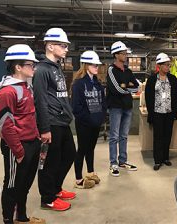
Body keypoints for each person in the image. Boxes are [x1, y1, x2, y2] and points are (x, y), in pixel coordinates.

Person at [0, 44, 45, 224]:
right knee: (12, 185)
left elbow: (30, 116)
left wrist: (37, 138)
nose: (34, 68)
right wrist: (19, 151)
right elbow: (6, 125)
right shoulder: (7, 92)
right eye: (30, 65)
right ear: (18, 67)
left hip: (32, 142)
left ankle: (21, 218)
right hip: (16, 146)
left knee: (24, 184)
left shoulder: (26, 87)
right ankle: (8, 220)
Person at [33, 27, 76, 211]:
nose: (66, 48)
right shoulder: (41, 70)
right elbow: (40, 100)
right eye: (63, 45)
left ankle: (56, 188)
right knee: (49, 162)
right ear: (50, 46)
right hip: (50, 123)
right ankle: (48, 198)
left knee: (69, 155)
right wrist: (44, 128)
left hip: (62, 121)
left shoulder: (57, 67)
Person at [71, 51, 107, 188]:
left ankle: (91, 173)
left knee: (91, 149)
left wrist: (101, 116)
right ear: (86, 65)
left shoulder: (97, 83)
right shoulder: (78, 84)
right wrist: (89, 119)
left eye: (97, 65)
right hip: (84, 124)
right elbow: (76, 107)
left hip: (95, 122)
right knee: (82, 149)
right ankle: (78, 180)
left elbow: (103, 102)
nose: (97, 67)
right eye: (94, 65)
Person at [106, 41, 139, 177]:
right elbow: (117, 89)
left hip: (127, 107)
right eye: (123, 53)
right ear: (116, 54)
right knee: (114, 136)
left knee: (124, 136)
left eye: (126, 53)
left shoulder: (128, 71)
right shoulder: (111, 70)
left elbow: (136, 87)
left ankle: (122, 161)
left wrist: (126, 87)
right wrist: (127, 88)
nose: (125, 55)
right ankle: (113, 163)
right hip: (116, 107)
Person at [145, 53, 177, 171]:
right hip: (157, 112)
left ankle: (165, 158)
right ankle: (158, 160)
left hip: (169, 112)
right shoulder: (152, 80)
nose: (168, 67)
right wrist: (151, 113)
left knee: (167, 135)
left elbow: (176, 97)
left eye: (168, 65)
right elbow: (148, 97)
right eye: (165, 65)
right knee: (158, 136)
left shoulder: (173, 79)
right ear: (159, 66)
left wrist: (175, 112)